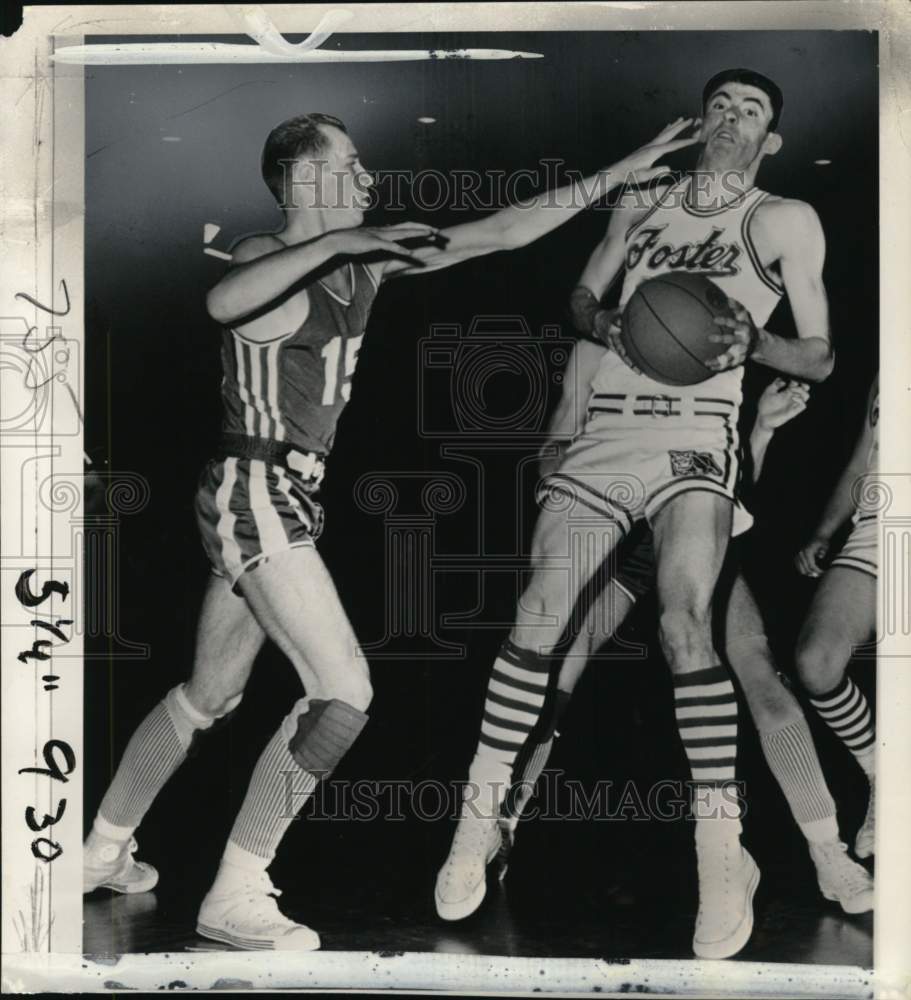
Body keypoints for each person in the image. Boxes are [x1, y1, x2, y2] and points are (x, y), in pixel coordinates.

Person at [82, 111, 698, 951]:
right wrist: (343, 244)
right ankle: (236, 892)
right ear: (306, 182)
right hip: (252, 486)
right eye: (352, 163)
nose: (370, 178)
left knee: (208, 695)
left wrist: (622, 168)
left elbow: (504, 230)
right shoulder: (267, 255)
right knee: (343, 690)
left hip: (281, 499)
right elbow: (221, 299)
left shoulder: (362, 264)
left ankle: (100, 850)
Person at [435, 69, 834, 960]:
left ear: (768, 140)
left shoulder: (782, 220)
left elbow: (819, 355)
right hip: (606, 434)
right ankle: (477, 820)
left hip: (697, 439)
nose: (731, 120)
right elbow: (578, 297)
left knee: (685, 623)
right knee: (539, 615)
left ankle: (718, 853)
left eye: (752, 112)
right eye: (721, 106)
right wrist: (604, 326)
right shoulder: (646, 197)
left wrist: (755, 343)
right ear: (700, 121)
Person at [494, 370, 872, 917]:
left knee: (760, 674)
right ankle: (502, 820)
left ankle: (828, 854)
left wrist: (760, 431)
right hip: (623, 538)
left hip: (693, 538)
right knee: (560, 673)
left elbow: (734, 495)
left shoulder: (707, 368)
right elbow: (552, 454)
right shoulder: (604, 358)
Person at [794, 374, 879, 859]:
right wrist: (824, 530)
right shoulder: (886, 374)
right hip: (879, 529)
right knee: (815, 662)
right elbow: (859, 465)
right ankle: (882, 774)